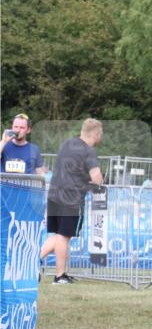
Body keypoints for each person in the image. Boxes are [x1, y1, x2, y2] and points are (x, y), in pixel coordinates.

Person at [39, 118, 103, 284]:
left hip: (54, 195)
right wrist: (98, 184)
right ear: (96, 134)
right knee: (64, 237)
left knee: (59, 235)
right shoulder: (88, 151)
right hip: (71, 198)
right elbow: (96, 176)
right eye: (100, 134)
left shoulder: (67, 144)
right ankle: (60, 276)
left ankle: (33, 262)